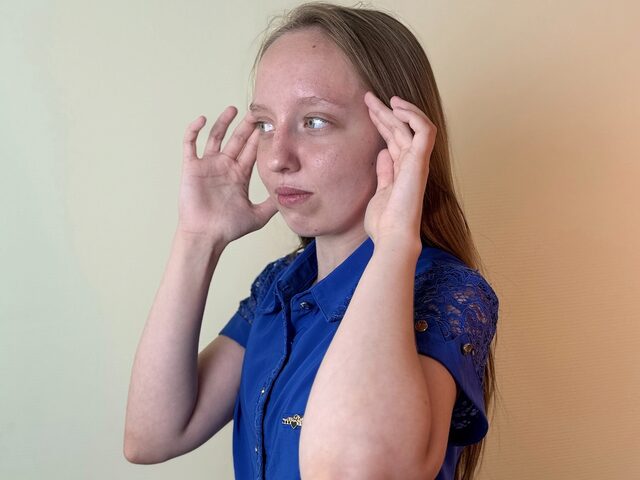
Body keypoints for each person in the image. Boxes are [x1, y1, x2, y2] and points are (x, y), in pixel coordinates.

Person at [124, 2, 499, 479]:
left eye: (315, 122)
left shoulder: (445, 291)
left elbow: (352, 468)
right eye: (265, 125)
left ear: (396, 138)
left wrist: (393, 243)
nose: (277, 157)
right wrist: (198, 240)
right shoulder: (280, 287)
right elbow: (151, 436)